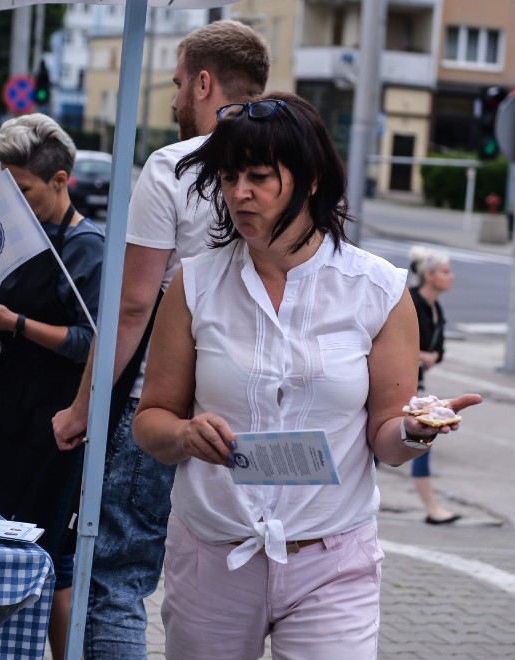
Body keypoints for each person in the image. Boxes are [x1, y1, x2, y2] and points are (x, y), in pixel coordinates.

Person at [131, 91, 482, 659]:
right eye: (227, 176)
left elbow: (386, 439)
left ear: (312, 179)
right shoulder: (193, 284)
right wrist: (182, 435)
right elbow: (150, 421)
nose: (238, 193)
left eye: (259, 177)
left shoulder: (379, 290)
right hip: (214, 553)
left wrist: (417, 429)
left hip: (332, 561)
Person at [51, 19, 271, 657]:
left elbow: (132, 305)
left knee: (117, 582)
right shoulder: (290, 165)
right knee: (239, 584)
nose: (175, 99)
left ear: (204, 82)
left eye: (178, 84)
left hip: (166, 407)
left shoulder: (175, 165)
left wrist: (84, 405)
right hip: (258, 408)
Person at [0, 114, 104, 660]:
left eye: (25, 189)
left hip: (58, 424)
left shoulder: (88, 248)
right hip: (8, 416)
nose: (15, 200)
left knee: (49, 556)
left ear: (61, 181)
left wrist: (11, 324)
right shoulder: (23, 236)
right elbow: (16, 306)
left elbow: (93, 344)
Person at [408, 246, 460, 524]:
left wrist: (430, 357)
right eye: (445, 271)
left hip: (416, 387)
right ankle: (432, 508)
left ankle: (432, 508)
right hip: (399, 386)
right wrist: (421, 356)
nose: (451, 277)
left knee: (419, 441)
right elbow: (391, 342)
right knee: (416, 441)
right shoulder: (410, 302)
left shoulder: (435, 308)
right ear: (428, 275)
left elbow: (438, 351)